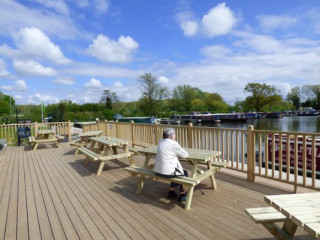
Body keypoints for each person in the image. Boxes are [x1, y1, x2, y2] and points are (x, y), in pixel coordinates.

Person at [154, 128, 189, 202]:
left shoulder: (161, 142)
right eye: (174, 134)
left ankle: (171, 192)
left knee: (176, 171)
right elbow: (185, 155)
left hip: (158, 171)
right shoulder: (173, 143)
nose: (175, 135)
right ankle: (182, 195)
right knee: (183, 173)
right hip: (167, 173)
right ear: (171, 136)